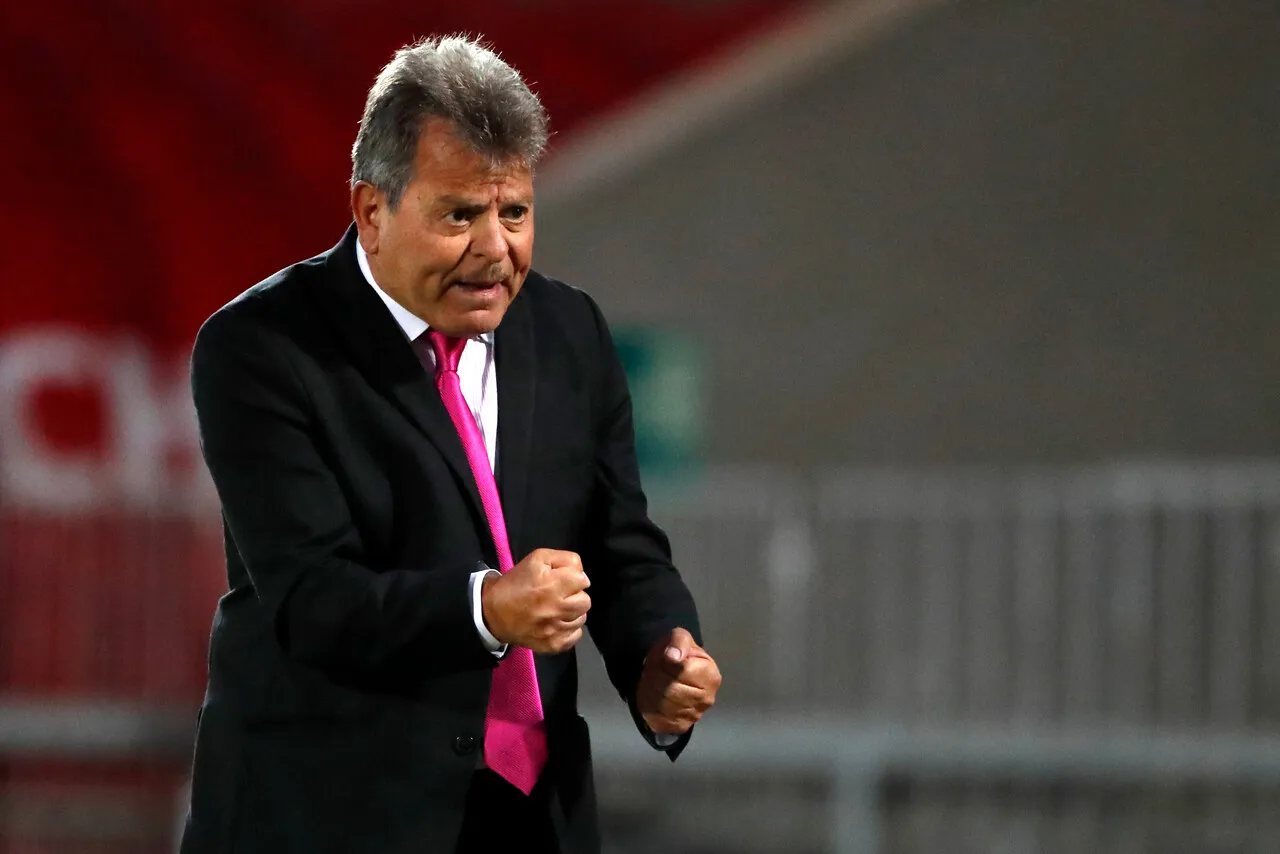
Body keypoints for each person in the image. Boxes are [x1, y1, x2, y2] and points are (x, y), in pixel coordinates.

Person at [180, 34, 721, 854]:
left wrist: (659, 652)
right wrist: (487, 608)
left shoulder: (570, 330)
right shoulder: (262, 349)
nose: (495, 249)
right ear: (371, 210)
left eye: (514, 212)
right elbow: (313, 599)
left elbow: (621, 546)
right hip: (327, 819)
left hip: (532, 822)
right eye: (459, 215)